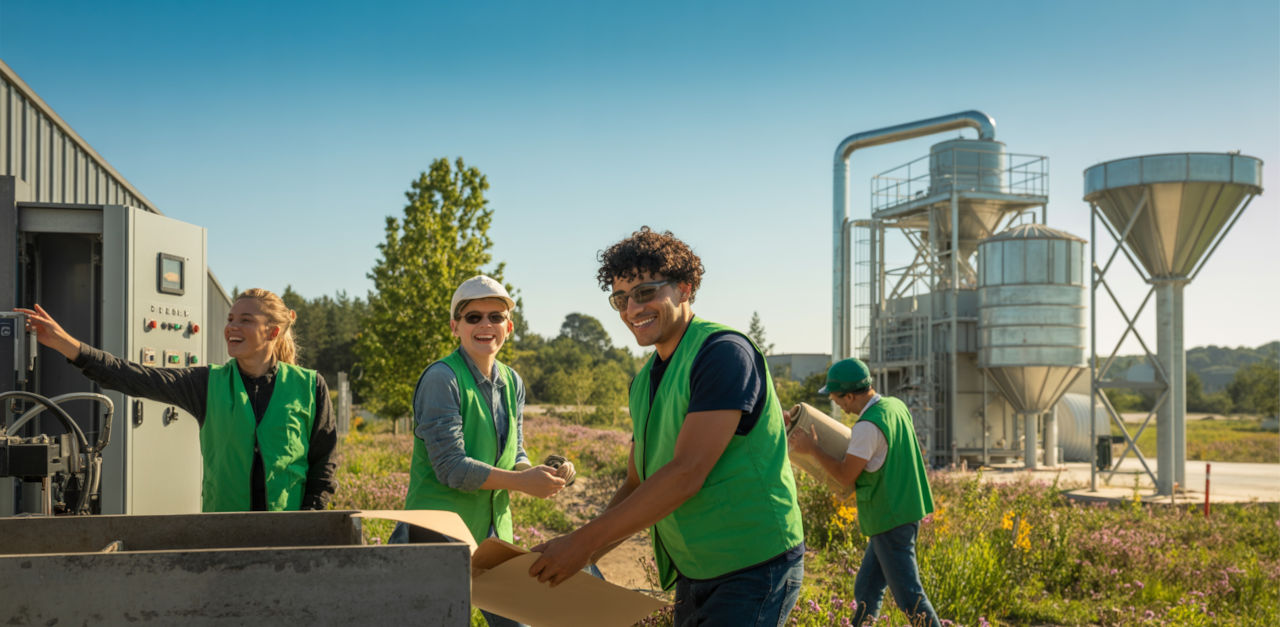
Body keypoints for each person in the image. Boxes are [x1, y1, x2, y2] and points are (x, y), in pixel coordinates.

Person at [528, 227, 805, 627]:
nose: (631, 309)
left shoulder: (724, 354)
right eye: (620, 299)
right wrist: (585, 554)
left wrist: (582, 543)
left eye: (645, 293)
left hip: (754, 565)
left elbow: (687, 472)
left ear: (685, 289)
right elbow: (637, 482)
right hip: (697, 568)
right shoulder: (644, 382)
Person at [16, 288, 336, 512]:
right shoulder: (206, 383)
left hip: (290, 533)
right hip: (223, 534)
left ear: (273, 332)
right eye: (230, 318)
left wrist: (309, 516)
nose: (232, 327)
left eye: (245, 320)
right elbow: (134, 376)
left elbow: (324, 463)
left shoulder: (309, 386)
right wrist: (65, 343)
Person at [400, 275, 572, 627]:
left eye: (495, 317)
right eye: (473, 317)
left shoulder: (512, 381)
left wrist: (540, 472)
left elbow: (515, 452)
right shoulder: (441, 379)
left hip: (494, 536)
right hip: (438, 537)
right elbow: (451, 468)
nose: (485, 325)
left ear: (508, 326)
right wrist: (522, 482)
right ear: (455, 327)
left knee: (516, 622)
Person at [786, 357, 940, 627]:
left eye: (836, 398)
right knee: (867, 589)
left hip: (889, 517)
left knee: (910, 599)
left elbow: (846, 475)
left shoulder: (867, 427)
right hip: (902, 511)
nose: (836, 403)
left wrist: (812, 449)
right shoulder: (894, 406)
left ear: (848, 395)